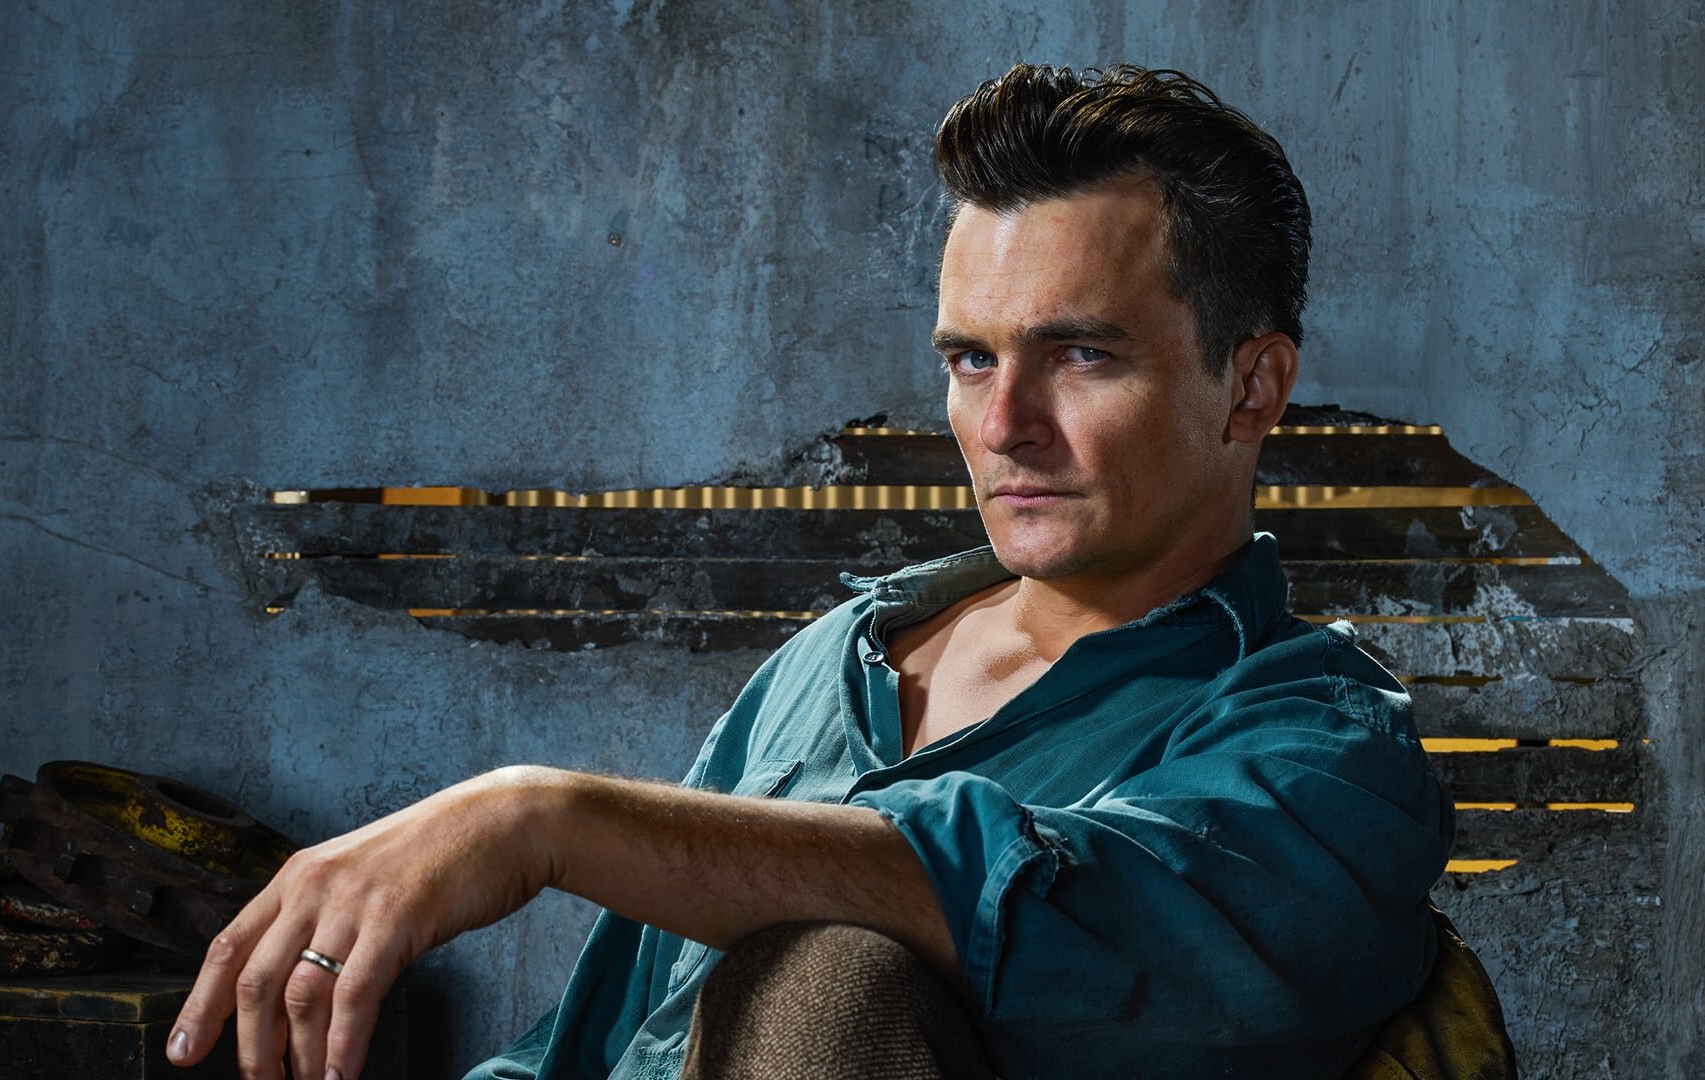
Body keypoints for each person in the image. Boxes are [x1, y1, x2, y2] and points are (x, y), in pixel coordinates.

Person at [167, 63, 1454, 1080]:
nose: (1004, 424)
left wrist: (540, 816)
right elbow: (594, 1044)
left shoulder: (1326, 755)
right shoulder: (835, 661)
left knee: (831, 974)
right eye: (971, 359)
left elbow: (1049, 909)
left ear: (1252, 388)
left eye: (1082, 355)